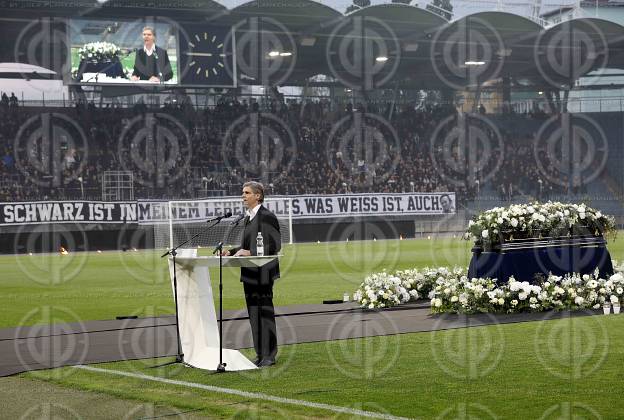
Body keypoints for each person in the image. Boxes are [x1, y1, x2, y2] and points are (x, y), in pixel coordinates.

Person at [224, 181, 281, 367]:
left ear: (258, 196)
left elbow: (274, 245)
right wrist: (231, 252)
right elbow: (246, 247)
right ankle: (260, 353)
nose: (243, 196)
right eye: (243, 192)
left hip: (263, 273)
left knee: (265, 313)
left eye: (247, 192)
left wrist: (251, 253)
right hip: (249, 272)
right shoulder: (248, 218)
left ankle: (270, 355)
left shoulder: (267, 216)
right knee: (254, 314)